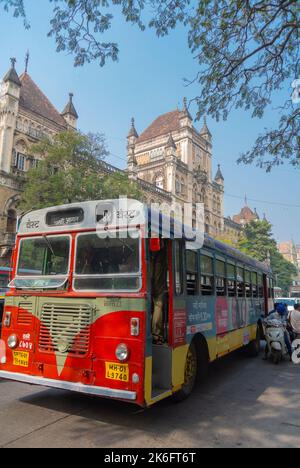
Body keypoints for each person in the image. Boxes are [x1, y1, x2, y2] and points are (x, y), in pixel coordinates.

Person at [151, 241, 168, 345]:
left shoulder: (149, 258)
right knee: (158, 306)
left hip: (148, 285)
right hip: (158, 287)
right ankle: (156, 334)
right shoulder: (161, 257)